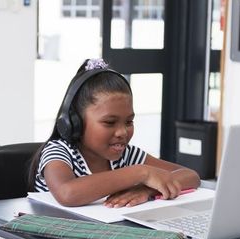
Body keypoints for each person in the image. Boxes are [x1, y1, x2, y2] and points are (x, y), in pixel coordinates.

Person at [28, 58, 200, 209]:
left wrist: (147, 189)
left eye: (129, 122)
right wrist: (141, 173)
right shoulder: (59, 152)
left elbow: (191, 176)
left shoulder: (128, 156)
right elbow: (67, 193)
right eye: (109, 122)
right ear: (75, 121)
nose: (122, 132)